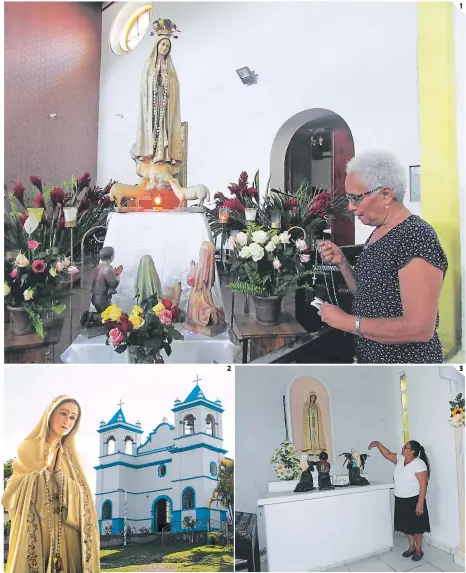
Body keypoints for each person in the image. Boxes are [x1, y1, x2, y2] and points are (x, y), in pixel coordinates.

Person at [318, 151, 448, 363]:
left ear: (386, 195)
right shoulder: (379, 231)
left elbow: (420, 328)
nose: (351, 207)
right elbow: (365, 294)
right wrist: (342, 262)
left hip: (405, 362)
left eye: (356, 198)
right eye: (348, 198)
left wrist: (347, 323)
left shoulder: (415, 236)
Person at [2, 395, 100, 572]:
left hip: (68, 535)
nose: (67, 421)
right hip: (39, 531)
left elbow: (83, 498)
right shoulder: (28, 447)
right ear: (50, 414)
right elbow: (11, 493)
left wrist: (59, 477)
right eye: (63, 414)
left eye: (72, 417)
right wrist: (46, 472)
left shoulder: (74, 458)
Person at [368, 439, 430, 562]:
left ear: (412, 451)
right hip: (401, 498)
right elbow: (387, 454)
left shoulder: (419, 464)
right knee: (407, 526)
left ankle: (419, 550)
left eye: (406, 447)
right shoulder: (401, 459)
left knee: (417, 527)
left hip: (414, 499)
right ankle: (411, 547)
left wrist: (420, 503)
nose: (403, 448)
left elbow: (424, 484)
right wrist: (378, 444)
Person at [135, 34, 182, 165]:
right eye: (163, 44)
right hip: (152, 103)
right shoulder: (150, 64)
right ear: (157, 45)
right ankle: (149, 151)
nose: (165, 48)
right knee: (152, 124)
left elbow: (175, 85)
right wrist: (155, 79)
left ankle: (164, 154)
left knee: (164, 127)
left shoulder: (170, 67)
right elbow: (144, 84)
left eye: (167, 46)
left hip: (164, 104)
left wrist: (167, 81)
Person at [91, 246, 123, 313]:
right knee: (108, 316)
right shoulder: (108, 268)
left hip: (94, 297)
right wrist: (117, 276)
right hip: (102, 298)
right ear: (111, 257)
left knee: (102, 314)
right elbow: (114, 284)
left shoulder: (99, 266)